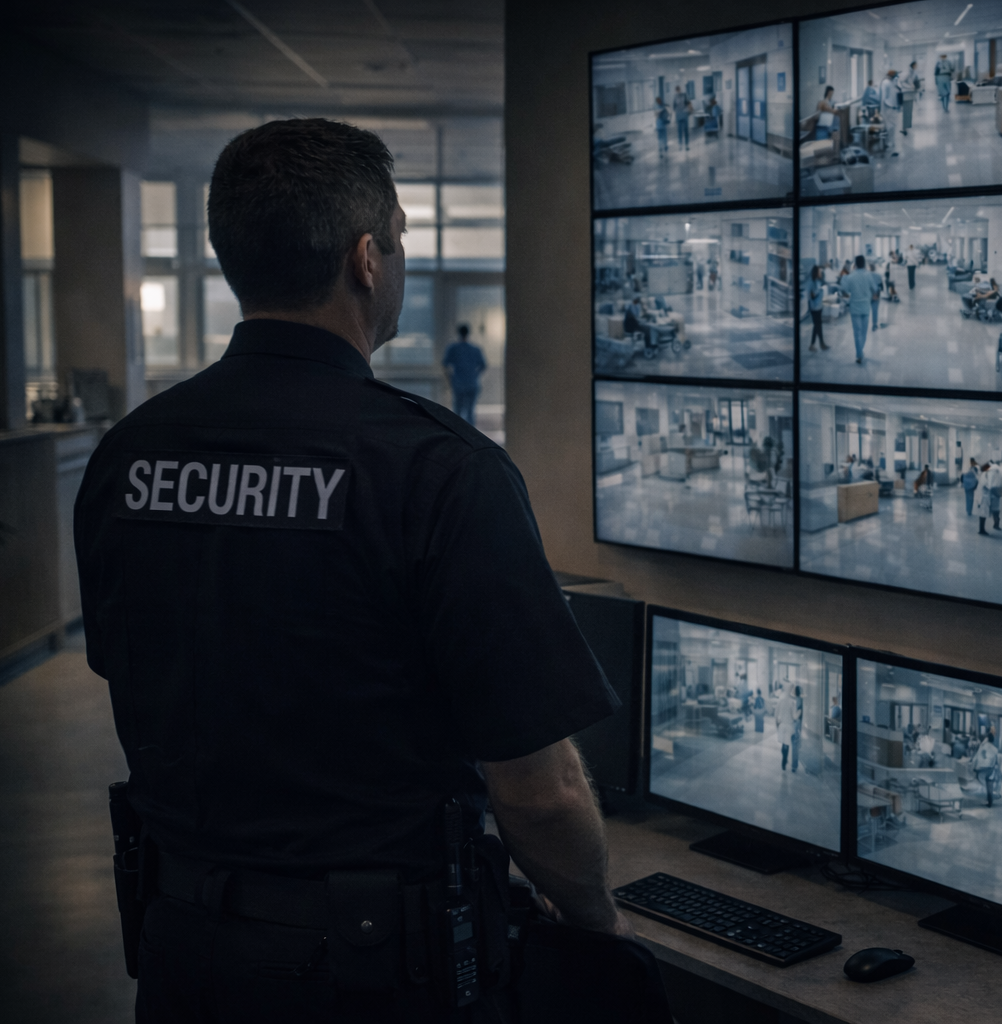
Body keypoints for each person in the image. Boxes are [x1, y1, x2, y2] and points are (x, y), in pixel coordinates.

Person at [74, 118, 658, 1022]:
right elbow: (538, 792)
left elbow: (133, 671)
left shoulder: (129, 456)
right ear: (367, 260)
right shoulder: (438, 470)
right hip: (377, 976)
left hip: (182, 956)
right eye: (399, 238)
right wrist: (594, 920)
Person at [441, 322, 487, 427]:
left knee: (458, 410)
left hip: (458, 383)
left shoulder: (453, 348)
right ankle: (471, 436)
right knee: (470, 410)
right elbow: (483, 365)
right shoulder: (475, 349)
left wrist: (450, 379)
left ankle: (458, 435)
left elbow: (445, 365)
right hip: (472, 383)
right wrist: (475, 375)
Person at [838, 254, 880, 364]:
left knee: (857, 332)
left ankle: (859, 355)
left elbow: (845, 290)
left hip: (855, 308)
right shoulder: (868, 276)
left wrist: (843, 278)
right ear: (864, 264)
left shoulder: (851, 276)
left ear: (855, 264)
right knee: (864, 332)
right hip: (865, 307)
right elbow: (875, 289)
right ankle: (860, 352)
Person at [977, 459, 1002, 533]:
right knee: (994, 510)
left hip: (987, 492)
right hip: (990, 492)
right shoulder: (995, 469)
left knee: (985, 511)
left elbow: (988, 483)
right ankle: (992, 526)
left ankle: (983, 529)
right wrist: (998, 492)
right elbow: (994, 483)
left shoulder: (990, 469)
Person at [972, 734, 1000, 807]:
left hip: (981, 770)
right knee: (990, 786)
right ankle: (990, 802)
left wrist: (973, 767)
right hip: (990, 770)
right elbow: (997, 762)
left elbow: (976, 758)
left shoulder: (982, 747)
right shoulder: (995, 749)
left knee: (982, 784)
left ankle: (984, 798)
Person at [806, 265, 829, 353]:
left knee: (817, 326)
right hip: (814, 308)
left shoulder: (817, 281)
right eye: (819, 272)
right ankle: (820, 344)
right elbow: (812, 295)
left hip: (818, 307)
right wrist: (819, 291)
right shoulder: (811, 282)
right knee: (817, 326)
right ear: (816, 272)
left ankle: (816, 344)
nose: (820, 273)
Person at [880, 70, 902, 157]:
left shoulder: (891, 82)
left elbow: (894, 95)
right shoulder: (886, 83)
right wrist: (885, 109)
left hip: (892, 108)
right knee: (891, 127)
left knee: (892, 127)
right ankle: (891, 146)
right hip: (889, 108)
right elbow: (884, 98)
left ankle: (893, 146)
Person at [900, 61, 920, 134]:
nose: (917, 67)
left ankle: (906, 128)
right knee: (906, 112)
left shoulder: (913, 72)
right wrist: (910, 87)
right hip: (906, 94)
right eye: (916, 65)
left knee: (909, 112)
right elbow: (902, 82)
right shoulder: (907, 72)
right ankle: (904, 129)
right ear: (913, 65)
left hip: (910, 94)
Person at [788, 685, 805, 773]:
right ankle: (793, 764)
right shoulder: (799, 700)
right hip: (796, 725)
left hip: (795, 725)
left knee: (794, 745)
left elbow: (797, 715)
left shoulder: (796, 701)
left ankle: (794, 765)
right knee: (794, 745)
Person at [774, 687, 791, 770]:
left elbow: (776, 712)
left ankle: (784, 761)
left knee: (784, 744)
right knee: (786, 744)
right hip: (786, 724)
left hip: (783, 724)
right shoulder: (790, 701)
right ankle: (784, 760)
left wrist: (776, 722)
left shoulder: (782, 699)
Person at [673, 85, 691, 151]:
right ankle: (680, 145)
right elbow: (674, 107)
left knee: (686, 130)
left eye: (679, 90)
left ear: (680, 89)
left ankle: (687, 145)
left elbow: (688, 103)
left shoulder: (684, 95)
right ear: (676, 91)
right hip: (679, 115)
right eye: (677, 90)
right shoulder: (675, 97)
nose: (678, 91)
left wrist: (688, 110)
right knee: (679, 131)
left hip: (684, 115)